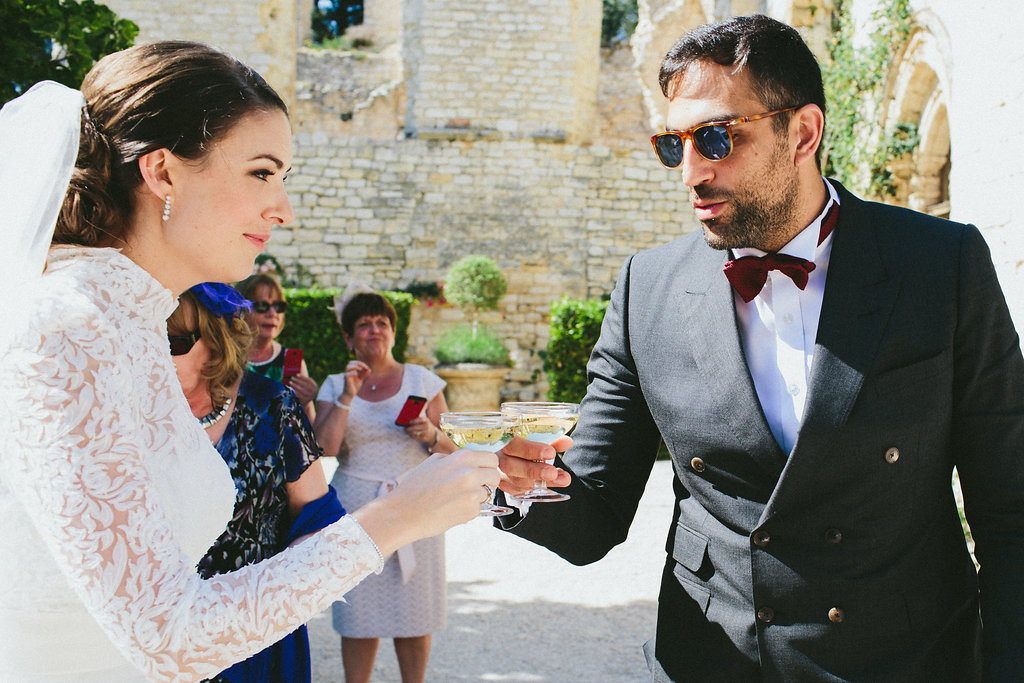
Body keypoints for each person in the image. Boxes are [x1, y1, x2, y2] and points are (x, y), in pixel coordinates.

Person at [496, 14, 1024, 681]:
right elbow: (594, 513)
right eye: (673, 144)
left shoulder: (940, 266)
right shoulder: (646, 289)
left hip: (907, 661)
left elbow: (1011, 510)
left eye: (715, 138)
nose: (690, 172)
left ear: (802, 132)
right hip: (712, 662)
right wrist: (517, 481)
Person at [0, 41, 499, 682]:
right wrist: (397, 518)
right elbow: (171, 638)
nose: (284, 209)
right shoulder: (67, 325)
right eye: (262, 173)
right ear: (163, 172)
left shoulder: (130, 322)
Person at [169, 282, 339, 683]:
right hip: (157, 634)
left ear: (217, 340)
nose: (151, 350)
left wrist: (268, 598)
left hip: (253, 635)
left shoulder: (272, 406)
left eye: (173, 339)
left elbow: (320, 522)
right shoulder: (126, 408)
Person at [314, 286, 456, 683]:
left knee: (415, 613)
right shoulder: (333, 384)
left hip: (416, 504)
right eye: (363, 324)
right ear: (348, 337)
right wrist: (347, 396)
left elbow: (455, 447)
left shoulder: (423, 380)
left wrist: (429, 432)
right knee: (357, 614)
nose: (374, 330)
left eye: (382, 323)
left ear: (394, 332)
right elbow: (324, 447)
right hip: (356, 508)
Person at [236, 272, 319, 421]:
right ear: (241, 310)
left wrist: (305, 402)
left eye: (278, 306)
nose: (273, 313)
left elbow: (308, 428)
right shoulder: (226, 356)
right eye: (262, 306)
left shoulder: (292, 362)